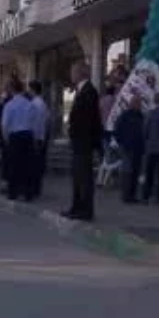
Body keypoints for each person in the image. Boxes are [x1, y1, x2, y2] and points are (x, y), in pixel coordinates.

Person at [65, 61, 102, 221]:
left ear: (81, 73)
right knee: (77, 176)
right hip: (79, 142)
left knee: (84, 177)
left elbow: (87, 120)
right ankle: (76, 207)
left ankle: (85, 210)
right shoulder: (81, 91)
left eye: (73, 71)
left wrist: (78, 134)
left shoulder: (89, 91)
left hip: (84, 142)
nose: (71, 75)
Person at [2, 80, 36, 201]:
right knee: (27, 165)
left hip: (15, 136)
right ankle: (28, 193)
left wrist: (6, 139)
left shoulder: (9, 105)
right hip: (27, 135)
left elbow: (5, 124)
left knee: (14, 165)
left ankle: (13, 192)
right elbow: (34, 122)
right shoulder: (29, 104)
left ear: (12, 89)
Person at [114, 95, 146, 203]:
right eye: (137, 103)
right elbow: (117, 130)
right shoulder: (125, 115)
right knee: (127, 172)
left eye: (140, 103)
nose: (139, 105)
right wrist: (122, 143)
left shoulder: (141, 116)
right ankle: (126, 195)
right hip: (127, 148)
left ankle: (132, 195)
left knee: (135, 172)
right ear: (131, 103)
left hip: (138, 148)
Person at [28, 81, 51, 198]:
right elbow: (47, 120)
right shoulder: (43, 104)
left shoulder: (34, 104)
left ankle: (34, 188)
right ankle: (37, 188)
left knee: (34, 164)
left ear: (33, 90)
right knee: (39, 163)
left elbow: (33, 122)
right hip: (42, 137)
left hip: (35, 137)